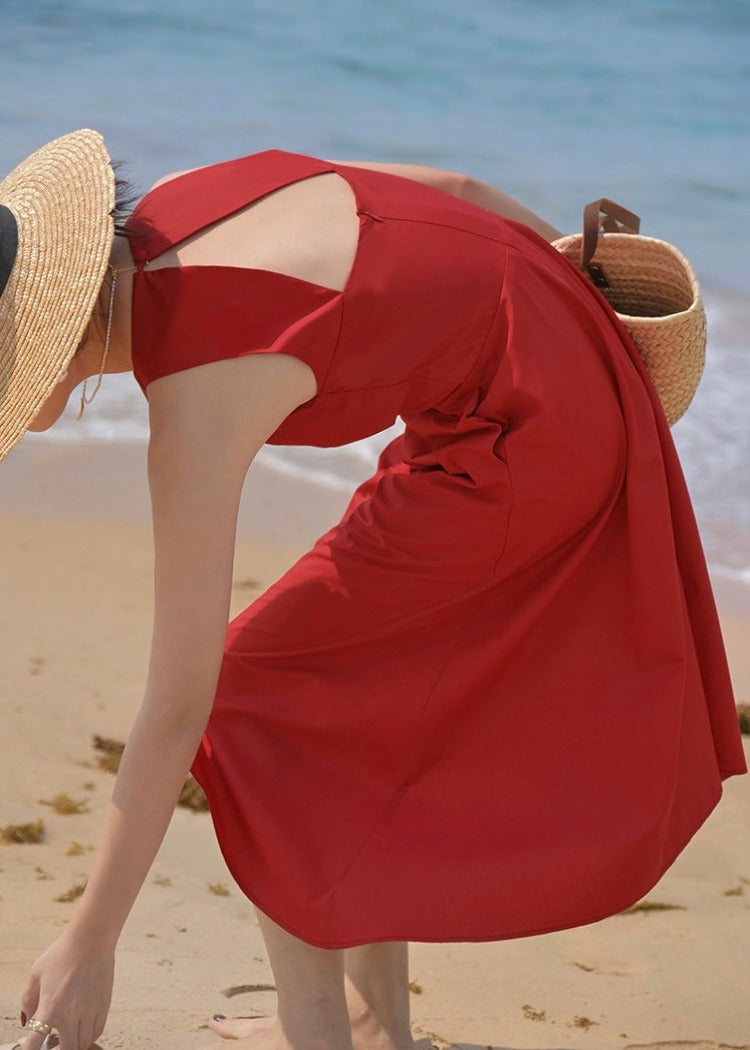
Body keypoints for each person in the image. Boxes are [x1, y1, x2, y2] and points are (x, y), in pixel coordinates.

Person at [0, 129, 745, 1050]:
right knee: (316, 685)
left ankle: (321, 1029)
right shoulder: (188, 196)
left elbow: (182, 700)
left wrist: (90, 941)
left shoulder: (201, 383)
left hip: (526, 442)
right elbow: (462, 183)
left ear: (48, 341)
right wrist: (584, 308)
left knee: (252, 700)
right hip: (547, 365)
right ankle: (371, 1015)